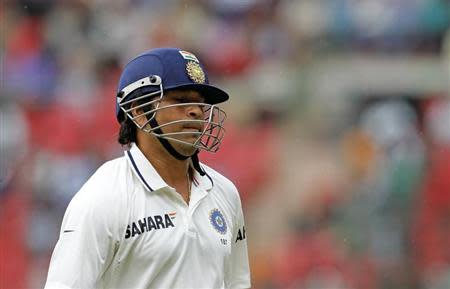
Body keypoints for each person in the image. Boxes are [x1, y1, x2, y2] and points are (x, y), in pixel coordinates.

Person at [44, 47, 251, 289]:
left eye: (200, 103)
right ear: (139, 112)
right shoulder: (103, 197)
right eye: (181, 100)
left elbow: (238, 283)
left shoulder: (225, 193)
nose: (196, 111)